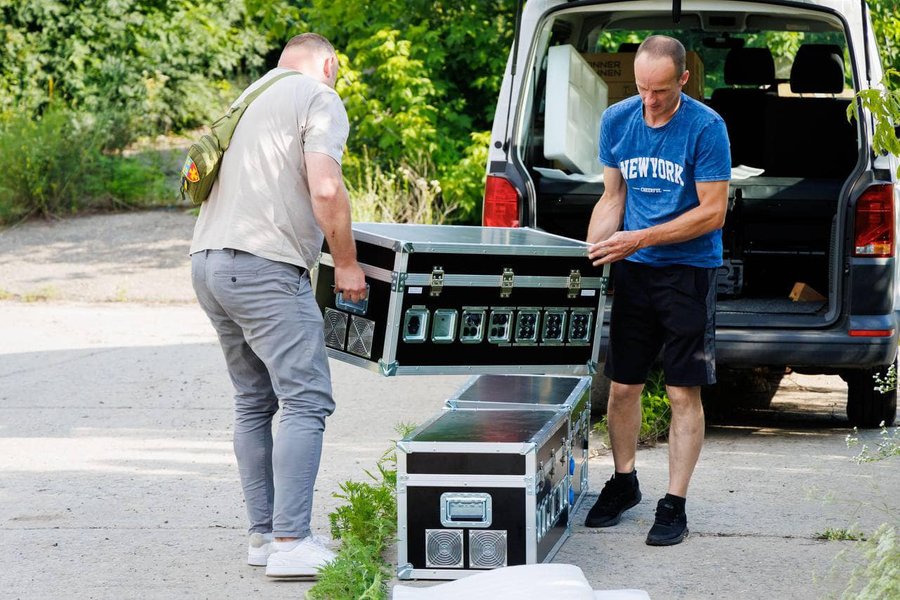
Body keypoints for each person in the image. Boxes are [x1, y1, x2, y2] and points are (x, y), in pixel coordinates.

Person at [189, 33, 367, 577]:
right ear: (329, 64)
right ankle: (292, 542)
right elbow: (326, 189)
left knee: (252, 401)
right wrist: (347, 263)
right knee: (306, 399)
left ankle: (264, 537)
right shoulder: (318, 96)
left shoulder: (250, 96)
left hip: (208, 261)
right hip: (263, 266)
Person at [583, 35, 731, 546]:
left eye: (661, 91)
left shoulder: (706, 127)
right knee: (623, 386)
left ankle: (674, 503)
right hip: (634, 270)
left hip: (688, 271)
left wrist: (640, 238)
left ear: (683, 79)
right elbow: (612, 197)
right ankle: (624, 482)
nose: (650, 100)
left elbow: (713, 212)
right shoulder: (617, 119)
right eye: (642, 88)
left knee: (680, 391)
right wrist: (589, 257)